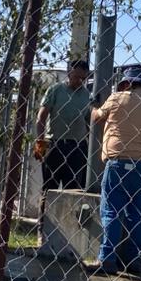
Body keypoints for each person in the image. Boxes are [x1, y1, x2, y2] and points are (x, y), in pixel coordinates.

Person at [90, 68, 141, 277]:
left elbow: (96, 118)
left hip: (120, 161)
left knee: (112, 210)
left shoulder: (117, 98)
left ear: (127, 83)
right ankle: (133, 260)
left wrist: (93, 105)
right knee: (135, 213)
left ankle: (107, 259)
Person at [34, 59, 92, 210]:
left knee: (73, 190)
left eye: (83, 78)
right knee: (49, 188)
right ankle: (43, 221)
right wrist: (40, 143)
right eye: (77, 77)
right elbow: (41, 117)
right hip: (55, 143)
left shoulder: (87, 95)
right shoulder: (55, 90)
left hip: (77, 146)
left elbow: (89, 123)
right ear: (69, 73)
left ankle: (67, 222)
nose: (80, 81)